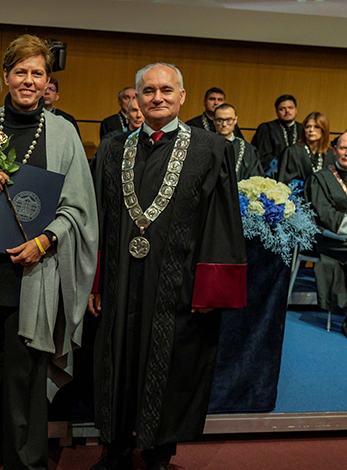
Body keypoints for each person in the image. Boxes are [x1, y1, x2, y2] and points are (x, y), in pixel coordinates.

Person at [0, 34, 98, 470]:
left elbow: (79, 209)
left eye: (38, 73)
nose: (29, 81)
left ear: (48, 81)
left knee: (26, 377)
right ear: (5, 76)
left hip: (36, 275)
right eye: (20, 72)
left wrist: (45, 240)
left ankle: (26, 464)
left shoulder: (64, 133)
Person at [89, 63, 246, 470]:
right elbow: (100, 218)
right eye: (148, 91)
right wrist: (96, 282)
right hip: (122, 280)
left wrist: (210, 289)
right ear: (135, 98)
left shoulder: (212, 149)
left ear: (182, 96)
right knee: (117, 359)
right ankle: (116, 447)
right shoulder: (111, 148)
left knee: (170, 364)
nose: (157, 97)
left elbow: (222, 220)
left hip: (178, 283)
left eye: (166, 90)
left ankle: (159, 452)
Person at [304, 131, 347, 339]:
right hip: (328, 237)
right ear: (335, 150)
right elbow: (324, 214)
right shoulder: (320, 178)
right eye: (344, 148)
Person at [278, 111, 334, 185]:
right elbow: (285, 181)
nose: (311, 130)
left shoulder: (331, 154)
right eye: (308, 127)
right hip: (299, 194)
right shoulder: (292, 152)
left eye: (316, 127)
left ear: (324, 130)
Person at [251, 94, 302, 175]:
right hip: (273, 174)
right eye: (282, 109)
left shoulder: (303, 129)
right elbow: (262, 156)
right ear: (277, 112)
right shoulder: (266, 128)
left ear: (296, 110)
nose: (287, 111)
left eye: (290, 108)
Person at [213, 103, 263, 181]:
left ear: (235, 120)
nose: (224, 124)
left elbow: (255, 178)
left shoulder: (248, 150)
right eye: (220, 120)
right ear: (214, 121)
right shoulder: (205, 145)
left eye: (228, 120)